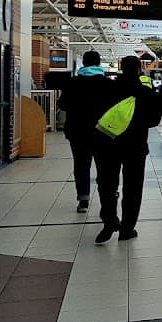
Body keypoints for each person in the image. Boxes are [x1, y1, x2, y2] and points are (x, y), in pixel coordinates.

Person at [94, 56, 160, 243]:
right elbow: (154, 120)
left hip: (108, 144)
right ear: (139, 69)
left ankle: (109, 222)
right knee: (133, 187)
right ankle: (127, 228)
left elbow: (97, 114)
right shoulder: (145, 92)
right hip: (135, 146)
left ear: (120, 68)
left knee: (107, 183)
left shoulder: (107, 89)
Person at [56, 50, 110, 212]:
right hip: (103, 131)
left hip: (77, 131)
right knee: (104, 166)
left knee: (81, 165)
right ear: (99, 63)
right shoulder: (107, 84)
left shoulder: (72, 83)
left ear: (84, 63)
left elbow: (63, 105)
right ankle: (106, 199)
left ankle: (83, 200)